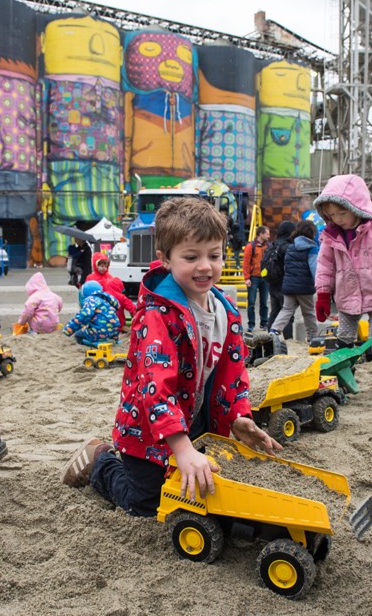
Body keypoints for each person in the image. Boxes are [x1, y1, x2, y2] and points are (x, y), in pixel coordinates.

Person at [60, 197, 280, 516]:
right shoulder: (157, 315)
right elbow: (155, 386)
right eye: (191, 256)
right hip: (146, 428)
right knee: (146, 503)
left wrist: (238, 415)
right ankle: (100, 460)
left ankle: (179, 452)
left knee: (196, 491)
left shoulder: (227, 313)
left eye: (214, 255)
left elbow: (233, 373)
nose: (205, 266)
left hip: (196, 418)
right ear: (165, 259)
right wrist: (181, 447)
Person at [313, 174, 372, 394]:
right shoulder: (331, 235)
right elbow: (325, 266)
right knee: (345, 335)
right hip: (347, 295)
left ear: (357, 206)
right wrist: (324, 294)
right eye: (332, 215)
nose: (338, 219)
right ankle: (345, 376)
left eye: (342, 213)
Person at [269, 220, 321, 345]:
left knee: (286, 310)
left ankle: (274, 331)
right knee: (308, 313)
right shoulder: (312, 248)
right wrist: (319, 285)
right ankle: (312, 337)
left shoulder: (290, 247)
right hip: (305, 287)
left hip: (288, 286)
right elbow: (314, 268)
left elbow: (287, 267)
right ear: (312, 233)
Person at [84, 252, 136, 330]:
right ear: (95, 265)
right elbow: (132, 308)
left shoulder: (109, 277)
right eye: (100, 265)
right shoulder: (91, 277)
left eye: (105, 265)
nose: (103, 267)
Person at [61, 280, 120, 347]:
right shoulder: (105, 300)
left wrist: (69, 329)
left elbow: (84, 315)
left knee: (78, 335)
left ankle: (95, 344)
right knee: (100, 325)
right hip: (114, 331)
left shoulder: (90, 299)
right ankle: (111, 340)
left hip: (99, 331)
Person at [265, 220, 296, 339]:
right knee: (287, 313)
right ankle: (289, 341)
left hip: (272, 284)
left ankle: (270, 339)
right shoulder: (288, 247)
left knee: (274, 312)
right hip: (284, 283)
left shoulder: (272, 244)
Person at [242, 226, 270, 331]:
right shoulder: (251, 246)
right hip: (253, 277)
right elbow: (246, 263)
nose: (269, 236)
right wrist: (247, 278)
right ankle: (251, 324)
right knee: (251, 302)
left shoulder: (268, 246)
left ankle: (264, 323)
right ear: (261, 234)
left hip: (265, 278)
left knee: (264, 302)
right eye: (267, 233)